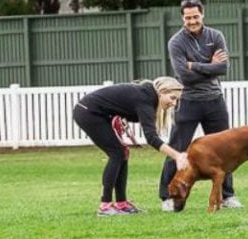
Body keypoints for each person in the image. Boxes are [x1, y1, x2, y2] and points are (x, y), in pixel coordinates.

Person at [158, 0, 242, 211]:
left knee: (224, 150)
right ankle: (167, 196)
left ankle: (227, 195)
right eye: (188, 18)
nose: (192, 21)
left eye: (195, 16)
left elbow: (223, 69)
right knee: (177, 148)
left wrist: (193, 65)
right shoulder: (176, 42)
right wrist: (209, 66)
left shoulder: (216, 36)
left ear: (202, 14)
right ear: (182, 18)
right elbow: (183, 77)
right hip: (188, 101)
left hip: (215, 101)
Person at [73, 77, 189, 216]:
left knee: (122, 153)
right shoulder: (145, 99)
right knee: (116, 154)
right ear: (162, 92)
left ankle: (122, 204)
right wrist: (177, 156)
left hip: (98, 113)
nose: (174, 103)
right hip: (88, 112)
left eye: (177, 100)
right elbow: (151, 138)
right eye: (172, 98)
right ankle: (105, 206)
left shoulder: (148, 96)